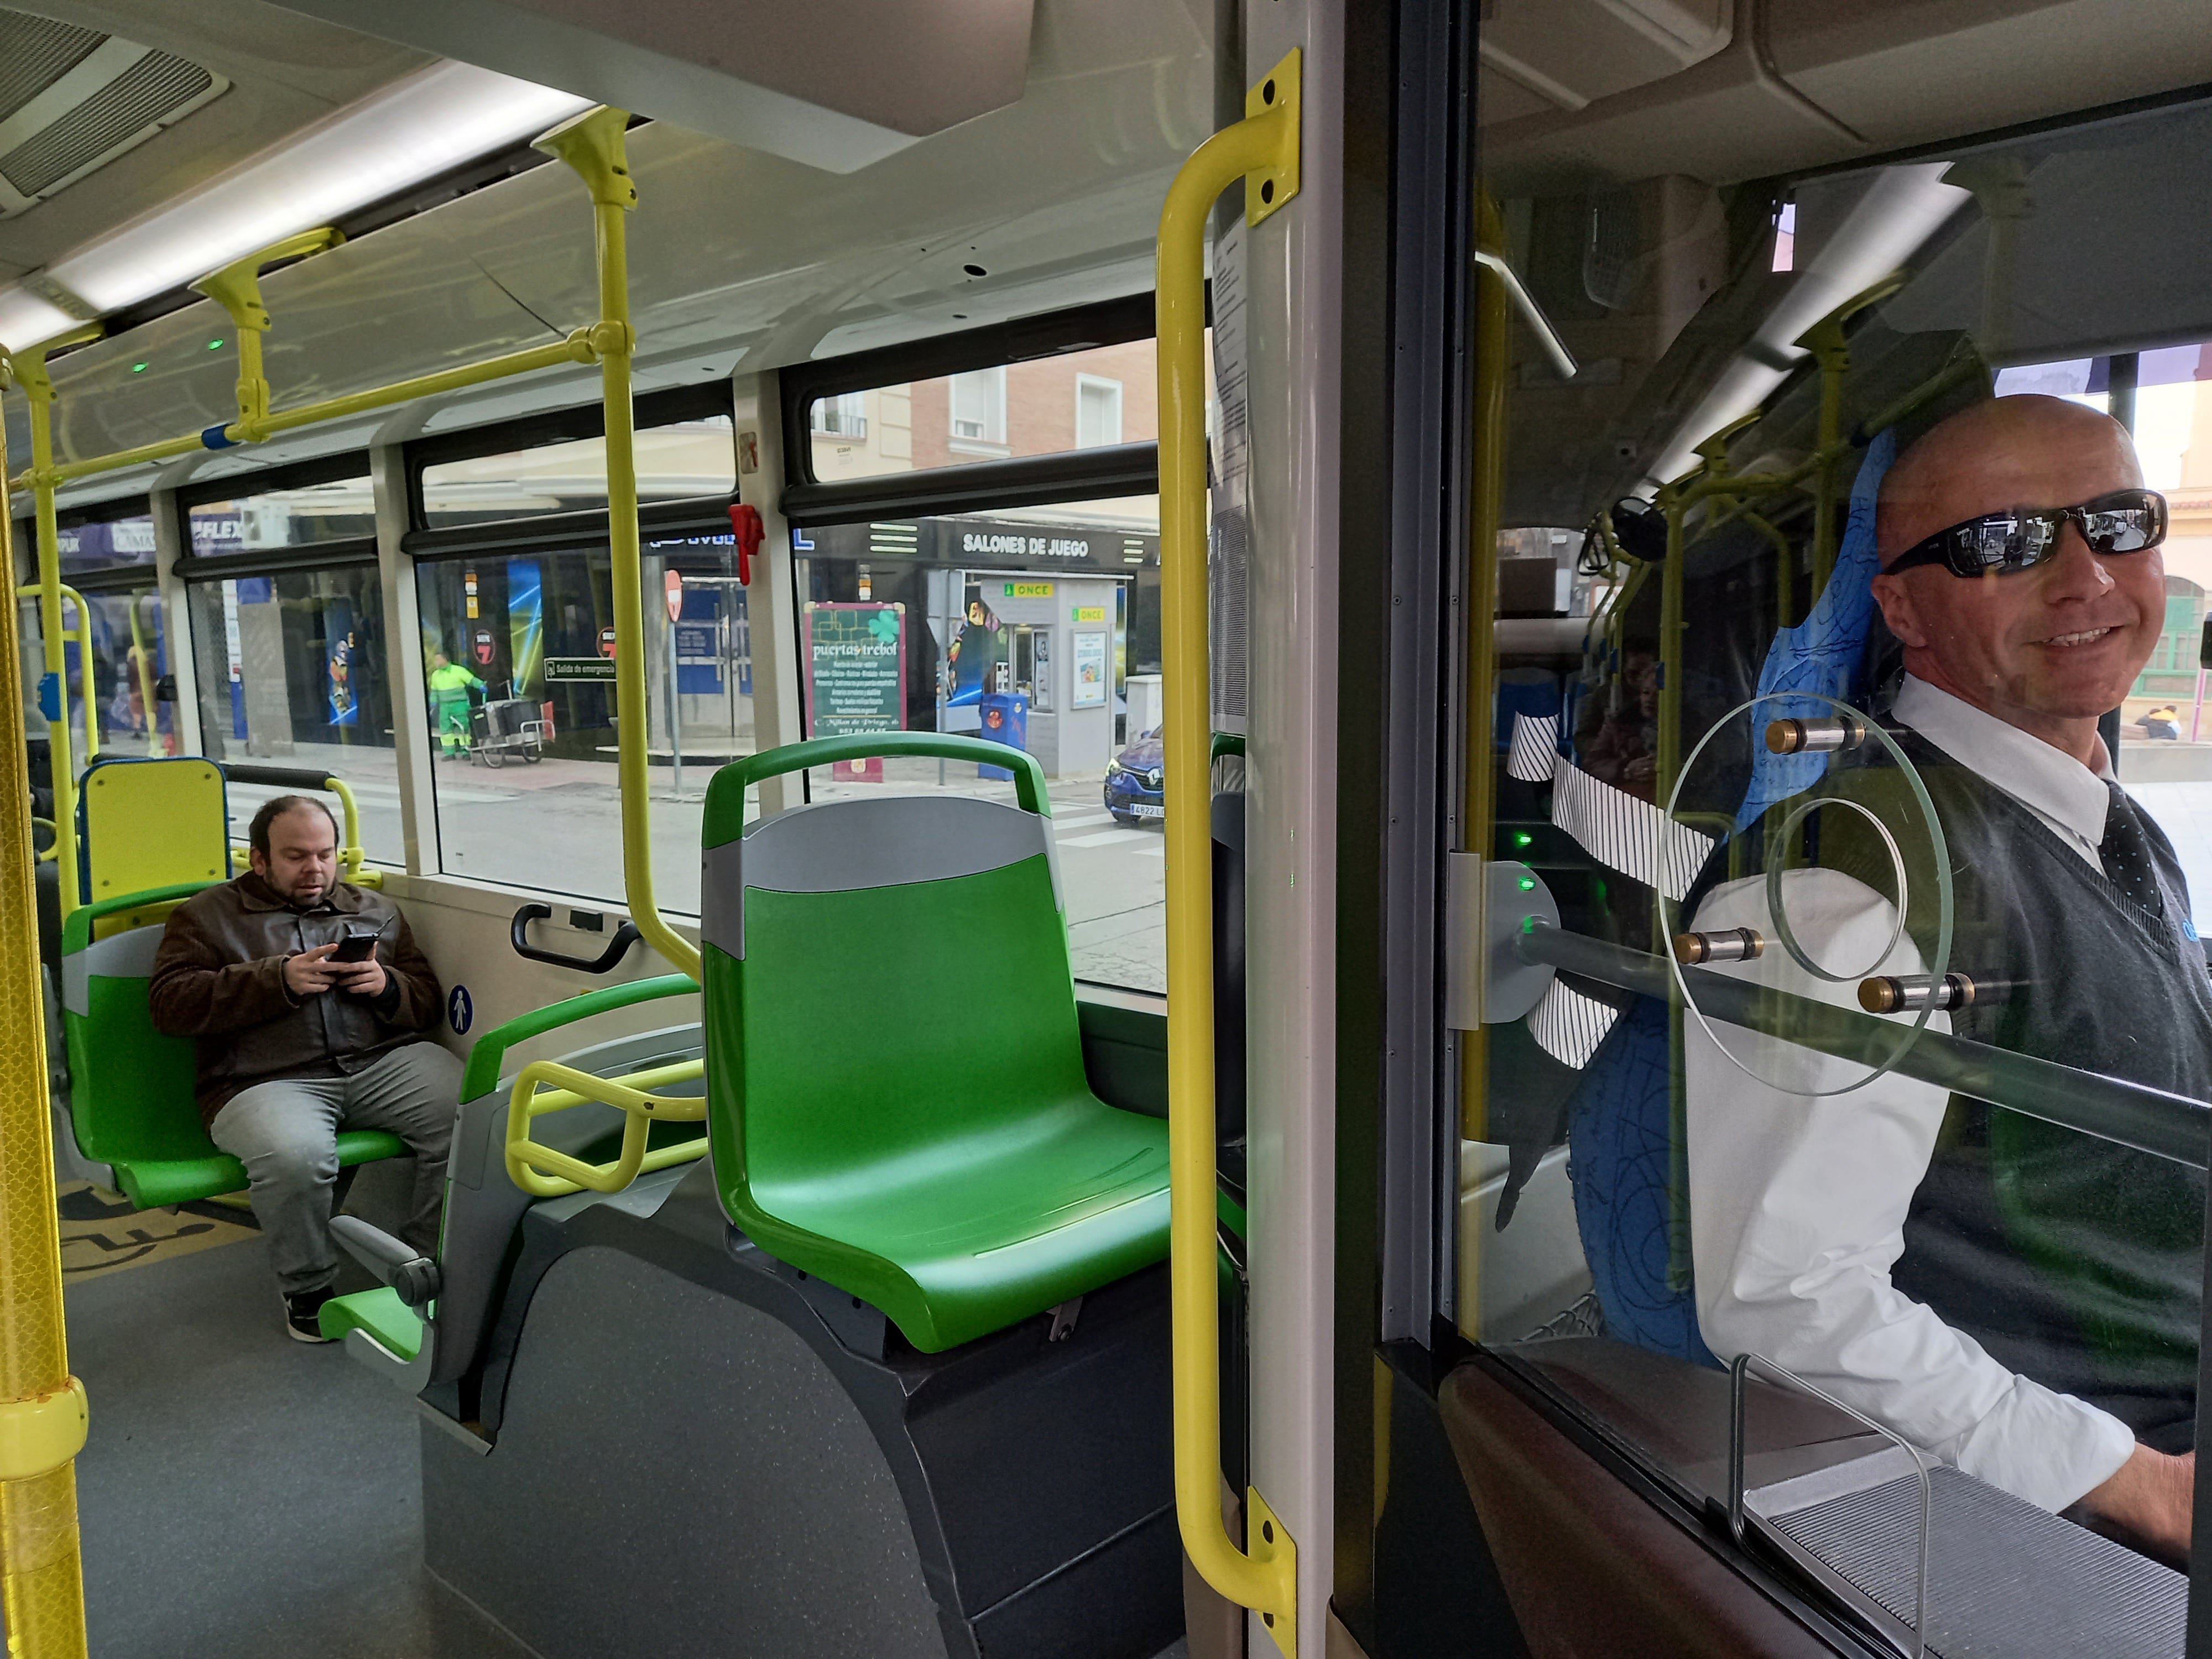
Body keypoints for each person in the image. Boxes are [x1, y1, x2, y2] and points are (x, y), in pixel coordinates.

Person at [1686, 394, 2206, 1561]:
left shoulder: (2108, 823)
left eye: (2116, 521)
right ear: (1900, 607)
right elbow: (1787, 1302)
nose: (2082, 577)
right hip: (2083, 1505)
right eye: (2003, 543)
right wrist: (2141, 1489)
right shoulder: (1846, 882)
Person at [149, 795, 458, 1342]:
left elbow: (427, 1000)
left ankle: (423, 1261)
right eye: (295, 856)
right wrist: (276, 980)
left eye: (324, 854)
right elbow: (170, 1006)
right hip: (263, 1078)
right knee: (296, 1156)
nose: (314, 869)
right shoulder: (204, 916)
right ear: (259, 860)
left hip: (377, 1061)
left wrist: (388, 989)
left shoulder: (375, 910)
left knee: (472, 1110)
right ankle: (309, 1290)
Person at [427, 649, 486, 759]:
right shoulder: (436, 675)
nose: (436, 662)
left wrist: (481, 685)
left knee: (463, 727)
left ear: (445, 659)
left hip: (460, 705)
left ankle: (466, 752)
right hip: (444, 706)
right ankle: (450, 753)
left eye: (438, 659)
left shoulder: (459, 671)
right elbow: (434, 691)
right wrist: (433, 702)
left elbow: (472, 680)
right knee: (446, 730)